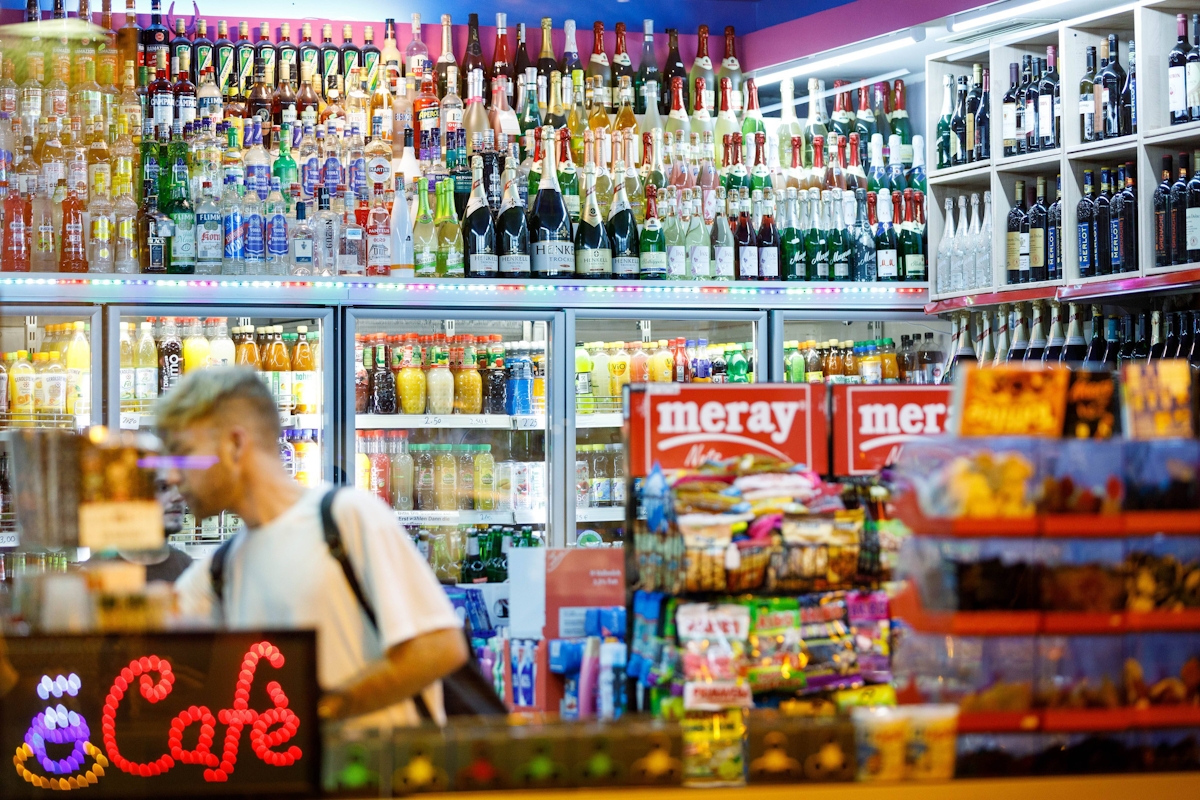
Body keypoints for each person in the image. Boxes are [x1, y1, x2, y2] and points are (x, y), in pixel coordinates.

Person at [164, 367, 467, 725]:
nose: (171, 474)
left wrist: (318, 715)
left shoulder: (347, 516)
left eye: (183, 453)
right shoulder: (223, 565)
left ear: (235, 444)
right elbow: (151, 624)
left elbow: (439, 649)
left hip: (383, 777)